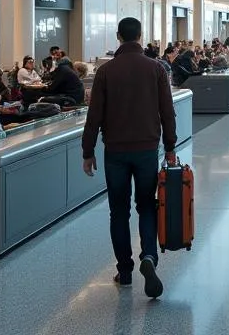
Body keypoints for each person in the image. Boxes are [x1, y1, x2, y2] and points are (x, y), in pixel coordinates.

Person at [81, 17, 176, 299]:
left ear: (119, 36)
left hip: (116, 151)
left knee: (118, 211)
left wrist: (88, 151)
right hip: (147, 149)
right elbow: (167, 110)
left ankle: (124, 271)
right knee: (147, 206)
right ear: (141, 36)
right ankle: (148, 255)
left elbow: (94, 114)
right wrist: (170, 147)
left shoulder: (106, 71)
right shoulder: (156, 68)